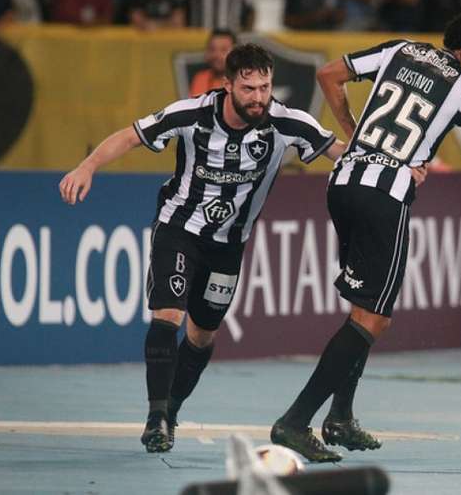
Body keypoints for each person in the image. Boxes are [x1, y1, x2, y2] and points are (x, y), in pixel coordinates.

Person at [59, 44, 357, 454]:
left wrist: (395, 162)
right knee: (168, 314)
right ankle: (156, 417)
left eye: (265, 87)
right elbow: (131, 136)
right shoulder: (192, 114)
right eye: (248, 88)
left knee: (202, 336)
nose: (258, 97)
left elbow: (341, 153)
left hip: (230, 245)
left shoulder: (288, 123)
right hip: (180, 229)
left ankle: (173, 411)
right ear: (227, 85)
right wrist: (87, 166)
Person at [270, 9, 461, 463]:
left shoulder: (401, 49)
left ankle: (341, 417)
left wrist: (354, 133)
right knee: (372, 319)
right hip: (383, 195)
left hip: (343, 181)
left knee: (365, 311)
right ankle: (295, 421)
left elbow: (329, 76)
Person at [189, 29, 237, 97]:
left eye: (223, 50)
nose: (217, 55)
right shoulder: (200, 78)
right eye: (212, 49)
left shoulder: (243, 80)